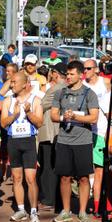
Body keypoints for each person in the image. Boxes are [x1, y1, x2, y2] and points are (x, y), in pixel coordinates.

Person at [50, 60, 99, 222]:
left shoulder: (89, 93)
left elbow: (94, 117)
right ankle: (65, 210)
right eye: (67, 74)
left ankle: (83, 211)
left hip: (83, 141)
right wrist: (65, 117)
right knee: (64, 177)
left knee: (84, 178)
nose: (68, 77)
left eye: (72, 74)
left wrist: (76, 117)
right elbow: (53, 116)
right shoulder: (60, 93)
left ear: (80, 75)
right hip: (64, 140)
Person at [0, 71, 44, 222]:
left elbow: (39, 123)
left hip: (29, 142)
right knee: (16, 178)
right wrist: (15, 114)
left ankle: (33, 211)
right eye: (11, 82)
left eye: (14, 82)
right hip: (13, 142)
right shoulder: (7, 101)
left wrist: (28, 112)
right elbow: (3, 123)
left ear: (25, 84)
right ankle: (20, 210)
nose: (11, 85)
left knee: (30, 179)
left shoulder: (36, 100)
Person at [82, 58, 112, 218]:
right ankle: (96, 206)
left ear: (96, 69)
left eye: (88, 68)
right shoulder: (82, 86)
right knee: (93, 172)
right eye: (84, 69)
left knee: (104, 171)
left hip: (104, 131)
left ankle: (105, 205)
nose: (85, 71)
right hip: (88, 132)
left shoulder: (106, 83)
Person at [37, 63, 67, 212]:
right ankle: (54, 199)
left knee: (48, 167)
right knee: (54, 167)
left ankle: (48, 200)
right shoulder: (68, 88)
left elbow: (41, 106)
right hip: (58, 132)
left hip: (49, 132)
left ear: (55, 74)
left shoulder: (56, 88)